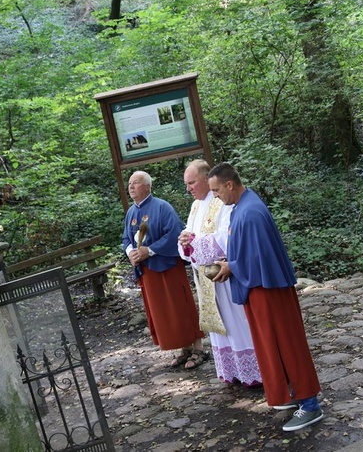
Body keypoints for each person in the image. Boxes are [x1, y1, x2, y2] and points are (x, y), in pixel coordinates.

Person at [208, 162, 323, 432]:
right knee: (274, 345)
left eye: (216, 190)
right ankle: (292, 393)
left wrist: (230, 267)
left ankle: (310, 404)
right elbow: (248, 249)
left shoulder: (251, 213)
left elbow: (261, 257)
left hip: (269, 290)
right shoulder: (241, 206)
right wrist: (230, 260)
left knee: (287, 344)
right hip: (259, 288)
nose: (215, 196)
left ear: (229, 185)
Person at [177, 160, 262, 384]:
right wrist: (185, 241)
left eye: (192, 182)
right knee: (220, 329)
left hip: (224, 276)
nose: (189, 188)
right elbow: (189, 233)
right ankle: (232, 371)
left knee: (236, 323)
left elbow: (228, 237)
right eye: (187, 184)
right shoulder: (195, 206)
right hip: (205, 279)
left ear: (206, 179)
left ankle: (254, 373)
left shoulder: (222, 201)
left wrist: (195, 242)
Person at [122, 170, 206, 369]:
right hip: (148, 272)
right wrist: (131, 253)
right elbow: (126, 238)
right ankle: (183, 348)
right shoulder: (131, 212)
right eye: (130, 184)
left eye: (136, 183)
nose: (131, 187)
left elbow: (175, 234)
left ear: (147, 187)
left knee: (180, 306)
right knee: (164, 312)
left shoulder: (162, 207)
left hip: (167, 267)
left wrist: (149, 251)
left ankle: (198, 348)